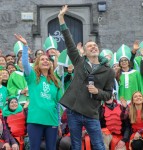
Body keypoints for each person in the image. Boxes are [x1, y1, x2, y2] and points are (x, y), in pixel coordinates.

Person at [58, 5, 115, 150]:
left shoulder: (108, 71)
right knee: (76, 145)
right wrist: (61, 18)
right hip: (74, 112)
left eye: (95, 45)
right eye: (89, 46)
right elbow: (69, 42)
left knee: (98, 145)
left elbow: (109, 94)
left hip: (91, 112)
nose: (93, 47)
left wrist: (97, 92)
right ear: (84, 52)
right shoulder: (79, 61)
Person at [14, 34, 62, 150]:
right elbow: (25, 64)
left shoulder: (55, 82)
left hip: (52, 121)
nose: (45, 61)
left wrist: (58, 123)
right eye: (42, 59)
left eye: (47, 60)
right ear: (37, 64)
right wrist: (25, 46)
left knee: (52, 148)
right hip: (35, 120)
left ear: (51, 64)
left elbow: (57, 104)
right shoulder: (32, 78)